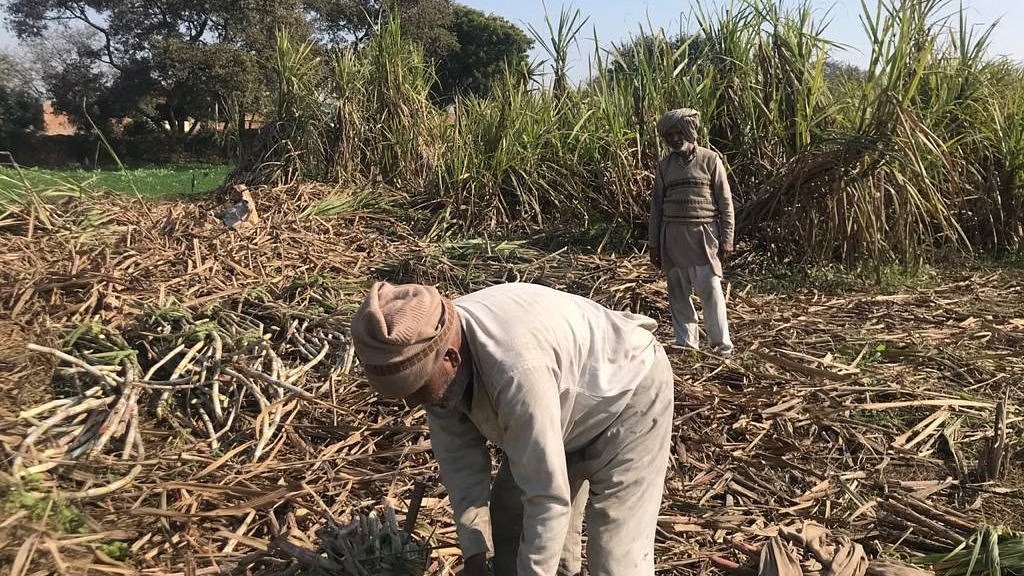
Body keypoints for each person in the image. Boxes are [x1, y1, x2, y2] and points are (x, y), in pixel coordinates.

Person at [350, 281, 674, 576]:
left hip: (629, 396)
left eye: (418, 390)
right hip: (564, 406)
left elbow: (547, 496)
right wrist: (475, 556)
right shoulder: (433, 350)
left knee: (614, 557)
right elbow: (461, 468)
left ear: (451, 358)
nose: (412, 404)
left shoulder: (516, 371)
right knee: (511, 519)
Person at [648, 108, 735, 356]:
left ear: (689, 131)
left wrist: (727, 238)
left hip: (704, 237)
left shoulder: (710, 160)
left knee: (711, 289)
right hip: (672, 238)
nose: (674, 139)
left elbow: (725, 202)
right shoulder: (664, 166)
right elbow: (656, 206)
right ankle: (687, 344)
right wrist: (654, 244)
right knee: (677, 292)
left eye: (678, 133)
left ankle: (721, 345)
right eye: (669, 135)